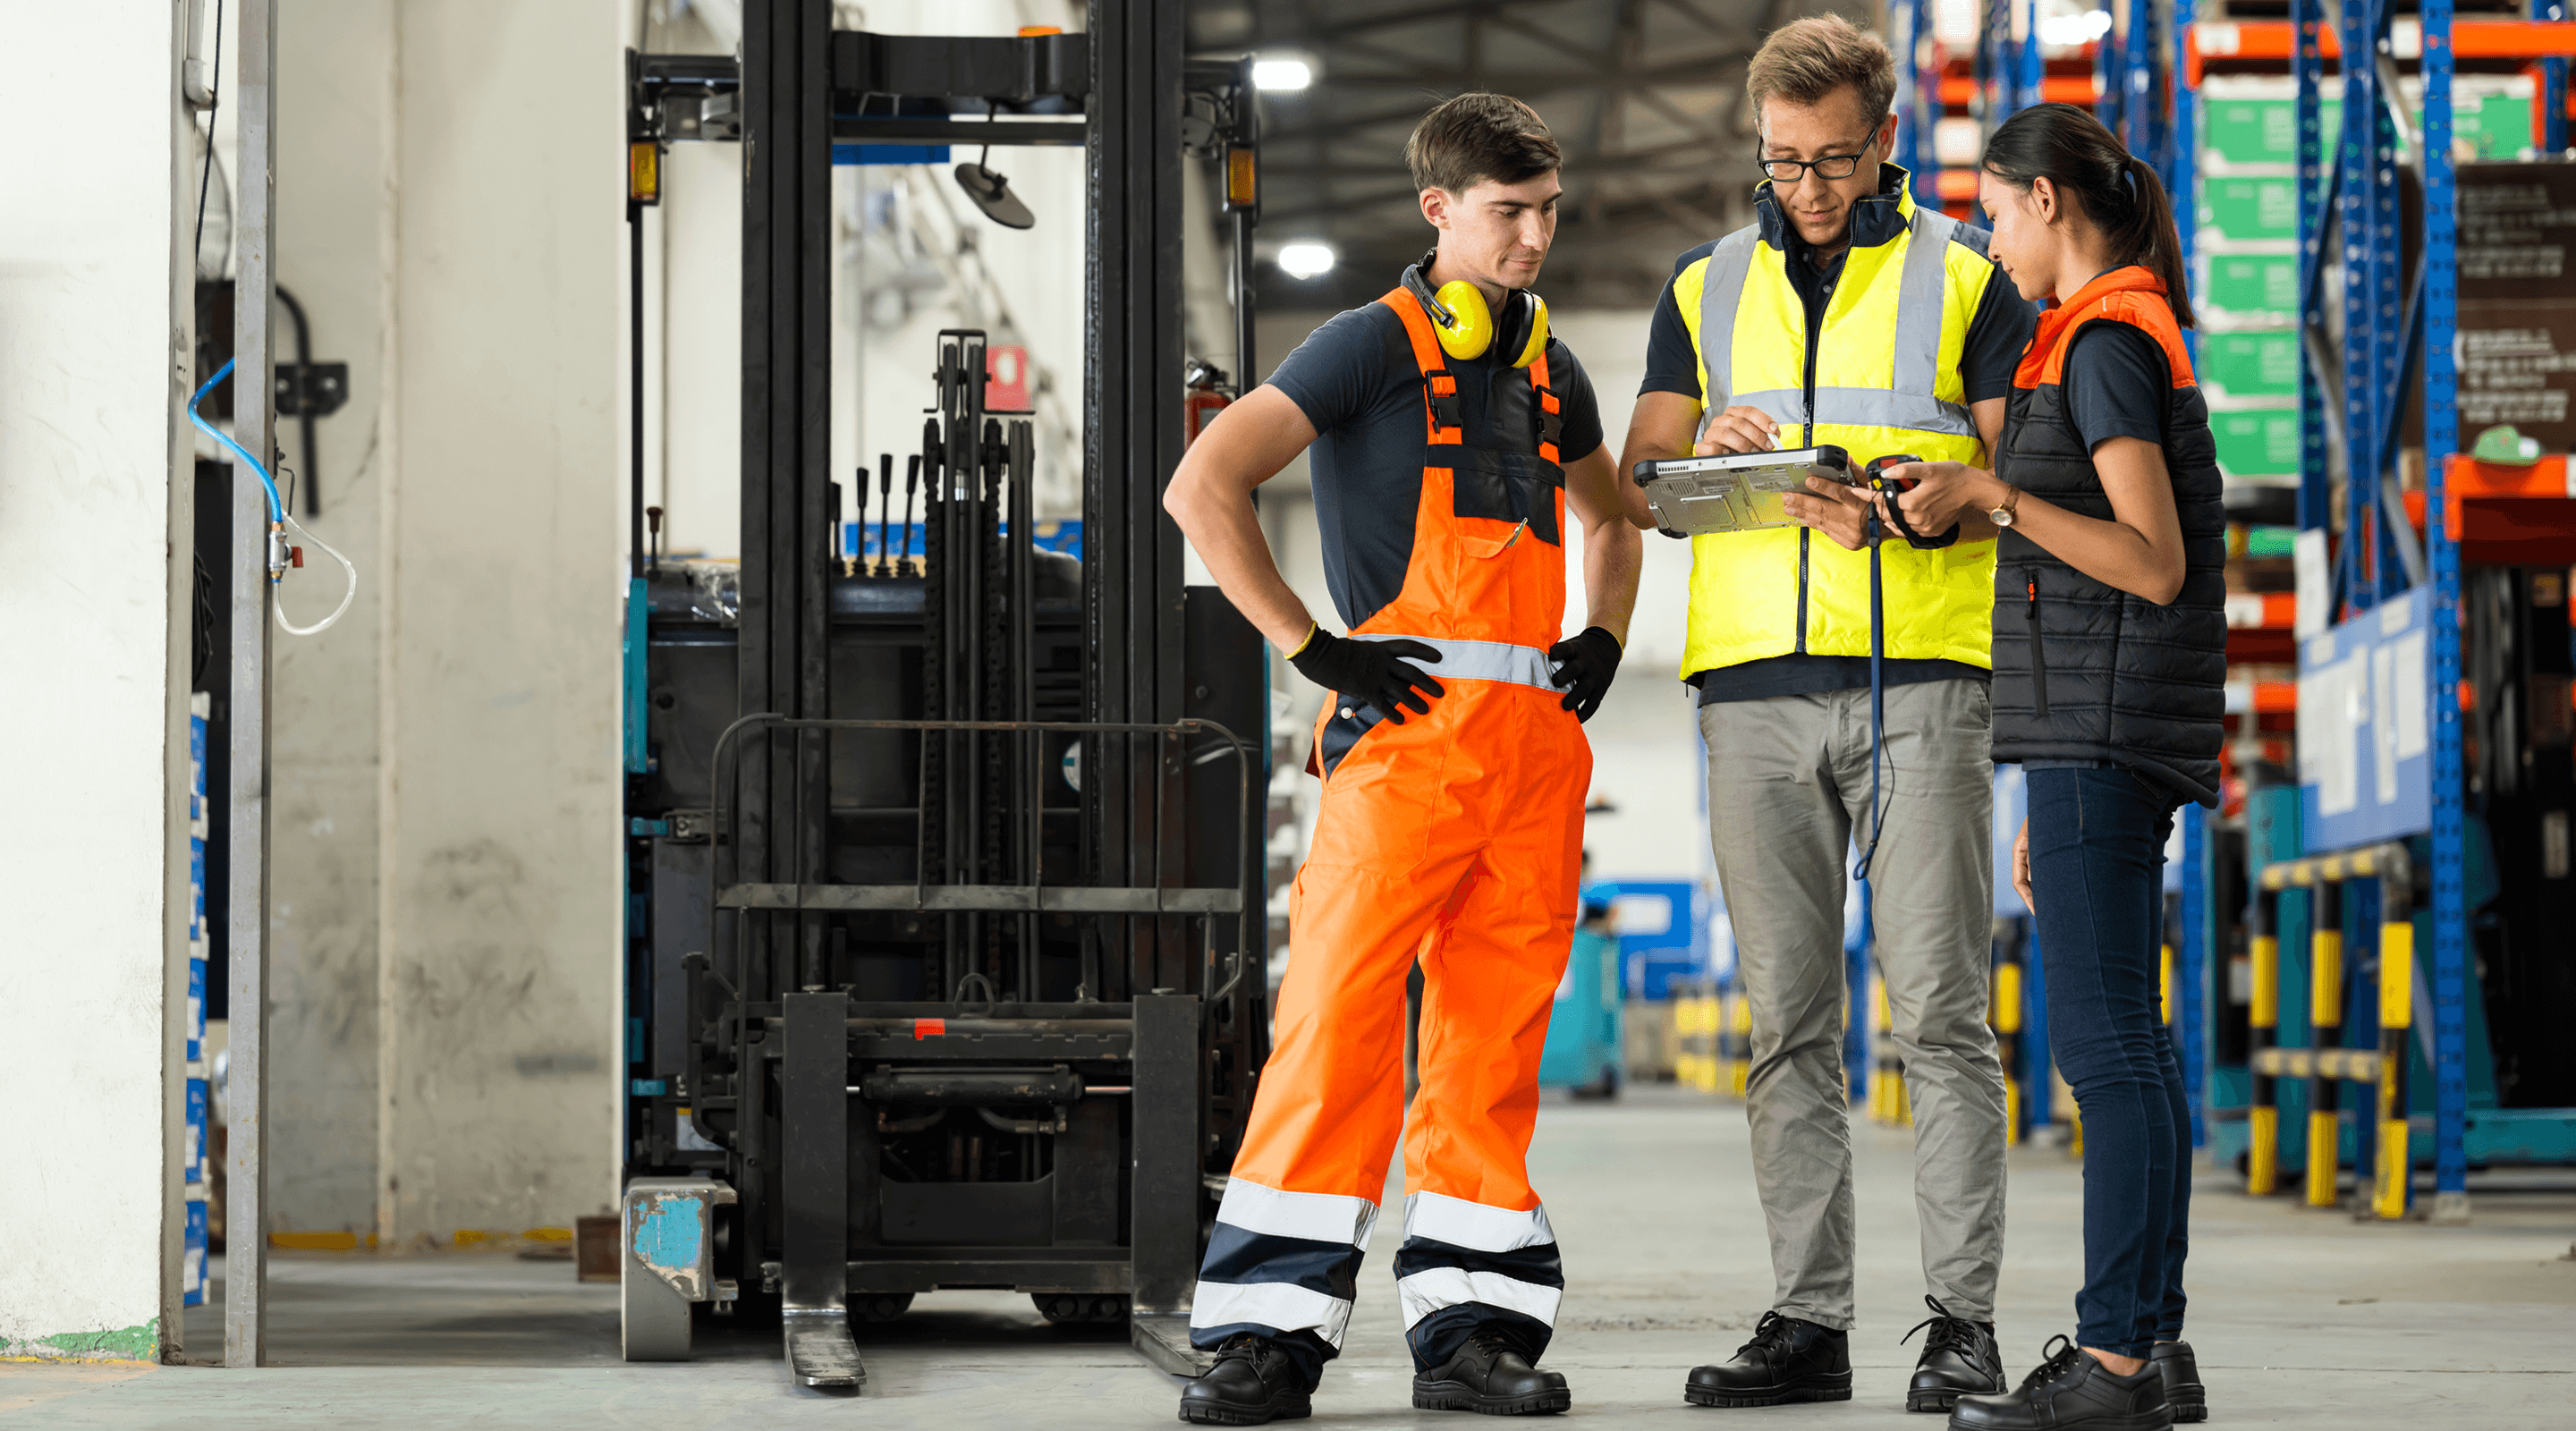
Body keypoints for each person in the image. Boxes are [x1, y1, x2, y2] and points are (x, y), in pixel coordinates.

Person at [1162, 93, 1643, 1425]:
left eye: (1550, 212)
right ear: (1439, 210)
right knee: (1338, 1032)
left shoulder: (1554, 371)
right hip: (1403, 752)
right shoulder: (1367, 344)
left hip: (1530, 766)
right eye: (1509, 213)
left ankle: (1474, 1333)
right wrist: (1312, 646)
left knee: (1490, 1052)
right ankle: (1267, 1337)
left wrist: (1606, 633)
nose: (1535, 238)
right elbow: (1202, 484)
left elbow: (1614, 519)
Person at [1614, 15, 2032, 1413]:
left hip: (1919, 679)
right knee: (1787, 1026)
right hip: (1750, 691)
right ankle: (1809, 1321)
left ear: (1887, 139)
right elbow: (1640, 477)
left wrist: (1909, 506)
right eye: (1785, 160)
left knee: (1942, 1020)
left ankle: (1962, 1325)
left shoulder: (1969, 277)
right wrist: (1704, 444)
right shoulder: (1706, 283)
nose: (1807, 186)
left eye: (1835, 159)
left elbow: (2017, 479)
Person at [1881, 102, 2224, 1430]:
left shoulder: (2105, 343)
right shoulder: (2098, 334)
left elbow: (2151, 560)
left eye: (1992, 213)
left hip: (2106, 725)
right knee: (2132, 1044)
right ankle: (2157, 1348)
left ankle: (2118, 1361)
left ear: (2047, 202)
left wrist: (1994, 494)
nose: (1987, 239)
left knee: (2108, 1050)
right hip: (2096, 730)